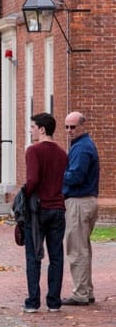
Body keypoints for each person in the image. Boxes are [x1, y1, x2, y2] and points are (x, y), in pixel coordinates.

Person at [21, 112, 67, 313]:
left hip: (38, 210)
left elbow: (32, 180)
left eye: (32, 127)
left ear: (42, 129)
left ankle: (32, 301)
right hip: (58, 208)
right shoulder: (62, 154)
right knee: (56, 256)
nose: (30, 130)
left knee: (33, 255)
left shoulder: (33, 151)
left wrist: (23, 195)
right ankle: (54, 302)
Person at [61, 111, 100, 306]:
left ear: (82, 126)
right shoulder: (81, 146)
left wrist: (58, 175)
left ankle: (81, 293)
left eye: (73, 127)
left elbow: (75, 176)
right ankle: (87, 290)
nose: (69, 131)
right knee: (82, 248)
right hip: (86, 201)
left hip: (79, 201)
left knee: (76, 249)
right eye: (67, 127)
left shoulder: (82, 148)